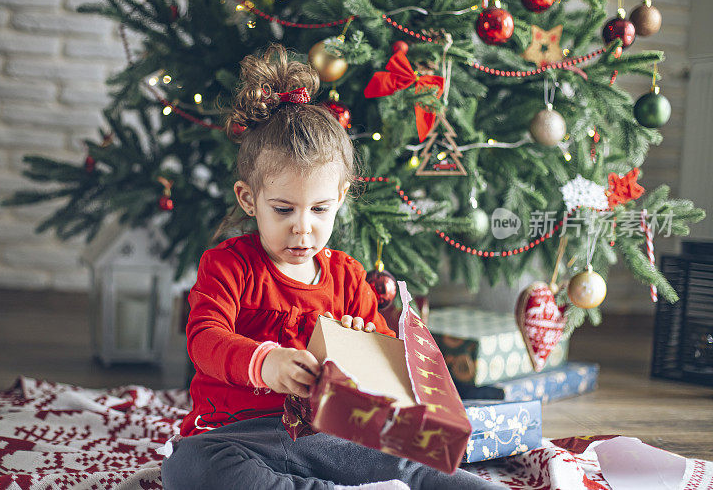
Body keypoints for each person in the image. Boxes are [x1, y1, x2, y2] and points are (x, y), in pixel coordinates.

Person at [161, 44, 501, 490]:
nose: (303, 229)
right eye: (283, 210)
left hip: (333, 437)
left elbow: (385, 364)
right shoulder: (227, 265)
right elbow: (205, 339)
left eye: (319, 209)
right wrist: (266, 363)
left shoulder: (347, 276)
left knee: (416, 463)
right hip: (241, 435)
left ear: (340, 199)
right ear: (249, 200)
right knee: (188, 468)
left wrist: (360, 346)